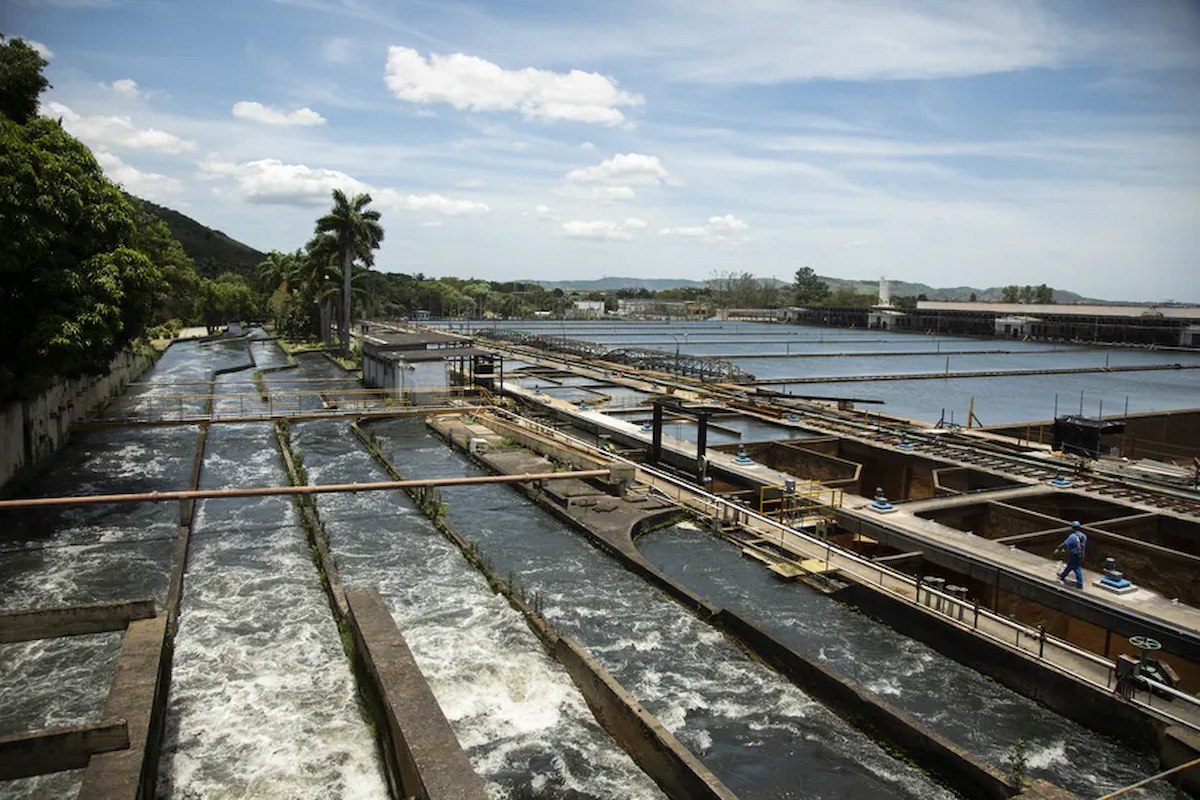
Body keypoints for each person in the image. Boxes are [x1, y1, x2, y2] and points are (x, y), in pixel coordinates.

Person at [1055, 521, 1087, 589]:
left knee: (1076, 568)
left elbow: (1065, 544)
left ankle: (1080, 584)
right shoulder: (1084, 536)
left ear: (1072, 528)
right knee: (1070, 566)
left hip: (1073, 554)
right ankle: (1063, 576)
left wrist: (1058, 548)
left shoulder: (1072, 536)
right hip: (1081, 554)